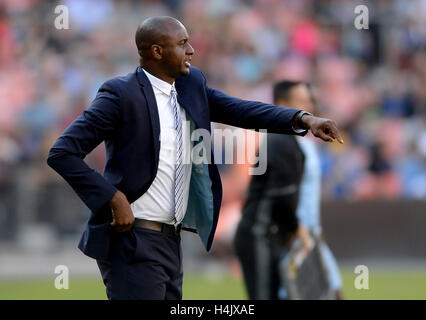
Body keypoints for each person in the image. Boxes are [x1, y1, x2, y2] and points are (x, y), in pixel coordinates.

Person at [46, 16, 343, 300]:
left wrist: (303, 119)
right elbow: (62, 153)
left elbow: (240, 110)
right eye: (183, 43)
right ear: (157, 51)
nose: (192, 50)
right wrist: (112, 198)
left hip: (171, 242)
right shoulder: (120, 94)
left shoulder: (191, 85)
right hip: (133, 239)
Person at [234, 81, 343, 300]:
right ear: (282, 105)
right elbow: (281, 197)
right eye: (301, 102)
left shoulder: (298, 143)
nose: (309, 108)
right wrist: (296, 228)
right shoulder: (280, 141)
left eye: (310, 101)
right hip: (264, 234)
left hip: (287, 234)